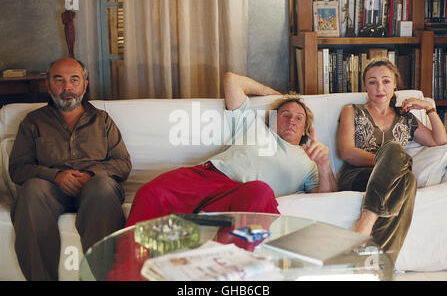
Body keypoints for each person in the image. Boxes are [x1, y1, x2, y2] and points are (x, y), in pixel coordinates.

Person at [125, 72, 337, 226]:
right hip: (207, 176)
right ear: (273, 120)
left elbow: (326, 198)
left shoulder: (309, 160)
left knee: (261, 191)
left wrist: (324, 165)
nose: (291, 120)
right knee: (149, 193)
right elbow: (231, 80)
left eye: (299, 118)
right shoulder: (253, 126)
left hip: (242, 195)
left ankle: (229, 269)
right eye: (285, 114)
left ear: (305, 130)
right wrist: (273, 97)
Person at [9, 58, 132, 281]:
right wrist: (55, 176)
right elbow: (18, 168)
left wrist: (92, 175)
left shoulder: (102, 120)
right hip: (49, 190)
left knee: (102, 187)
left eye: (74, 80)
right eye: (59, 80)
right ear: (48, 85)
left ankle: (102, 278)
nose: (67, 88)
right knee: (32, 190)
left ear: (84, 84)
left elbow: (122, 164)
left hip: (94, 189)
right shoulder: (33, 122)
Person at [337, 57, 447, 263]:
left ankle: (378, 263)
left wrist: (428, 108)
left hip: (393, 181)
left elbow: (439, 140)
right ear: (365, 86)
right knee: (394, 150)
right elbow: (347, 152)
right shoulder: (352, 111)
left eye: (386, 81)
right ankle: (366, 229)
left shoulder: (405, 117)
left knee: (409, 181)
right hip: (357, 176)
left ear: (395, 84)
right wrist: (387, 161)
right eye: (372, 81)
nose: (380, 87)